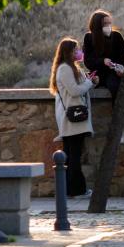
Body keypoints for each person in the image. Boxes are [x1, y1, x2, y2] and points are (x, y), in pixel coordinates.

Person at [50, 38, 99, 198]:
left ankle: (71, 189)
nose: (78, 52)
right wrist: (89, 83)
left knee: (71, 156)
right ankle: (76, 190)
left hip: (74, 118)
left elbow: (82, 86)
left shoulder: (71, 68)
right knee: (73, 156)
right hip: (73, 118)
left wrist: (91, 81)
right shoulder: (64, 69)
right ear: (68, 52)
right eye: (75, 49)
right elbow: (75, 90)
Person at [83, 9, 124, 143]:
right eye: (105, 24)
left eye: (109, 23)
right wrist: (102, 61)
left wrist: (120, 68)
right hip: (99, 73)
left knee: (116, 88)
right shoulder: (89, 38)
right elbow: (88, 61)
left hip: (114, 73)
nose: (108, 26)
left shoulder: (117, 36)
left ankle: (119, 129)